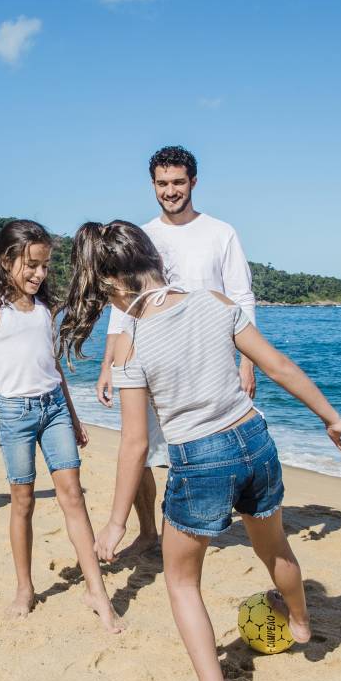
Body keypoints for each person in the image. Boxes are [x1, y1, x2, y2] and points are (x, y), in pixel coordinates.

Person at [59, 221, 341, 681]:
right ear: (153, 259)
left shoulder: (131, 341)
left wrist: (115, 523)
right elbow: (277, 366)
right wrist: (331, 417)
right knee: (274, 547)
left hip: (200, 458)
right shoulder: (214, 300)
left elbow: (135, 443)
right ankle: (299, 622)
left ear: (111, 282)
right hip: (254, 439)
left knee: (182, 583)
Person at [0, 220, 121, 633]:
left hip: (54, 410)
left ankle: (97, 592)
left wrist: (73, 416)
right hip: (15, 415)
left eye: (45, 266)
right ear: (6, 260)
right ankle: (24, 588)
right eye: (31, 265)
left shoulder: (45, 309)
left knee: (73, 496)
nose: (39, 274)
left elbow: (53, 368)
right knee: (23, 502)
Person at [95, 146, 258, 558]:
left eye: (178, 182)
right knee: (139, 448)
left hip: (207, 361)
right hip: (148, 358)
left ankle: (185, 530)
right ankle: (148, 532)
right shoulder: (143, 235)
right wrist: (108, 363)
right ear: (152, 185)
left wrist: (248, 362)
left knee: (192, 444)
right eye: (162, 183)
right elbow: (123, 303)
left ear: (193, 182)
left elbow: (241, 298)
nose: (170, 191)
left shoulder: (221, 233)